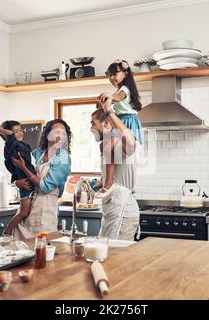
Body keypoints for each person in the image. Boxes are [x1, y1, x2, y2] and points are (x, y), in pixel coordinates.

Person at [10, 119, 72, 241]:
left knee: (42, 251)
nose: (60, 137)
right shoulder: (36, 153)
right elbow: (18, 172)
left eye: (63, 134)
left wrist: (23, 167)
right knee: (19, 252)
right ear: (47, 134)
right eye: (56, 132)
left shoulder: (64, 159)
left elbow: (45, 187)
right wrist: (17, 182)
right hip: (27, 210)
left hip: (46, 211)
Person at [90, 96, 140, 241]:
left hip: (122, 209)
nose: (91, 128)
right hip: (112, 209)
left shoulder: (116, 142)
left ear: (106, 123)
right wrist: (98, 183)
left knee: (117, 258)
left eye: (93, 124)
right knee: (107, 255)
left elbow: (130, 142)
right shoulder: (106, 144)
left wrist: (109, 111)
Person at [94, 59, 144, 199]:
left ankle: (108, 182)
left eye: (114, 74)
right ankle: (107, 180)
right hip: (120, 122)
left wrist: (110, 97)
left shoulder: (124, 90)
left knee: (111, 147)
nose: (111, 78)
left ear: (125, 74)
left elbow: (117, 97)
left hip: (127, 123)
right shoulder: (118, 90)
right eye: (109, 75)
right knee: (108, 148)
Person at [0, 120, 36, 235]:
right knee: (24, 213)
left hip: (28, 182)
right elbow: (13, 166)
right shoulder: (13, 146)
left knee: (26, 212)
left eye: (20, 130)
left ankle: (8, 232)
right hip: (26, 184)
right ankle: (6, 232)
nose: (20, 133)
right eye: (16, 132)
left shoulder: (22, 146)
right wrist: (8, 135)